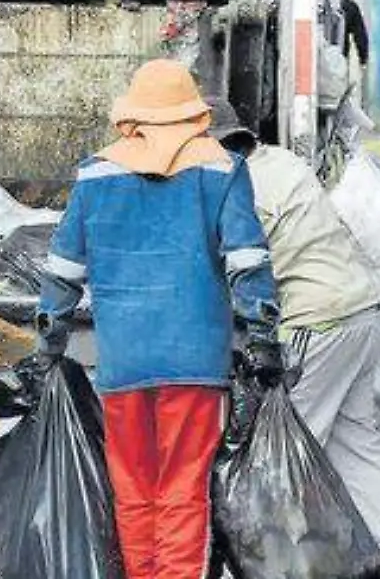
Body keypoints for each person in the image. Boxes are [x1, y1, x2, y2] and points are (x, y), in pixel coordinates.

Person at [34, 61, 280, 579]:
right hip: (195, 361)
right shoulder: (222, 169)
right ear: (194, 112)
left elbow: (62, 272)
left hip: (122, 361)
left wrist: (48, 346)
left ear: (133, 116)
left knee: (133, 487)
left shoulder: (95, 173)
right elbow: (247, 263)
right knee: (183, 489)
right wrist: (264, 338)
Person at [208, 99, 380, 579]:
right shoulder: (283, 162)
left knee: (275, 458)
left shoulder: (233, 183)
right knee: (360, 449)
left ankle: (260, 568)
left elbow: (239, 265)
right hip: (359, 313)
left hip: (314, 323)